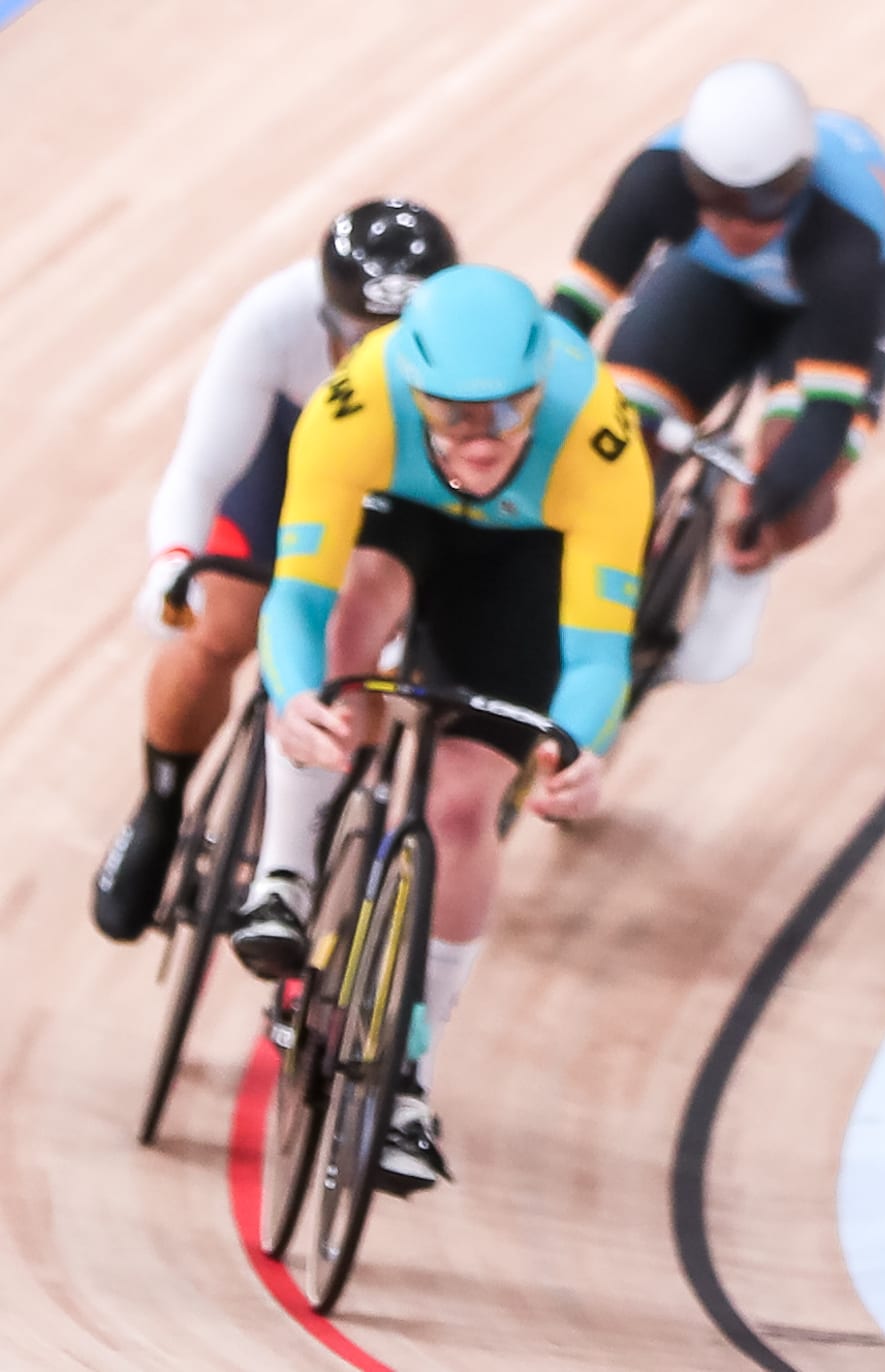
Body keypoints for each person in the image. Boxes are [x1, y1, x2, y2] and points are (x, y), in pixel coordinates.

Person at [233, 264, 653, 1191]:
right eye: (456, 413)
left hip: (524, 563)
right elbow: (294, 598)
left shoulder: (600, 437)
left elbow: (594, 659)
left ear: (541, 391)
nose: (482, 437)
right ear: (412, 388)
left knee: (461, 810)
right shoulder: (357, 402)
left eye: (508, 412)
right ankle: (284, 878)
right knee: (343, 641)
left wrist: (582, 749)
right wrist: (299, 694)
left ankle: (409, 1084)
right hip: (404, 521)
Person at [93, 200, 458, 942]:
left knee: (351, 663)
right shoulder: (275, 320)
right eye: (358, 335)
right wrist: (172, 563)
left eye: (394, 340)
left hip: (396, 486)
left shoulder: (467, 351)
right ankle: (161, 806)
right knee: (218, 629)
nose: (372, 354)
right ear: (328, 313)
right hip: (293, 461)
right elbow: (201, 469)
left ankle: (309, 852)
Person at [551, 58, 885, 685]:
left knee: (796, 489)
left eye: (764, 205)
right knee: (616, 437)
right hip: (712, 285)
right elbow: (565, 325)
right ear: (692, 175)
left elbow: (828, 414)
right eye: (717, 201)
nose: (738, 224)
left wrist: (764, 503)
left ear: (799, 180)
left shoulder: (842, 234)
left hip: (837, 305)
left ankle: (735, 583)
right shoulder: (656, 179)